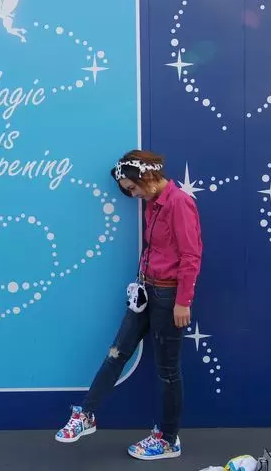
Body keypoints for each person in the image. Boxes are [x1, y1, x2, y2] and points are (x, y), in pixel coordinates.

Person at [54, 149, 203, 461]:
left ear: (146, 176)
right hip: (146, 291)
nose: (132, 194)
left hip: (169, 296)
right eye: (127, 190)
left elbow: (191, 255)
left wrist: (183, 301)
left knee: (167, 371)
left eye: (132, 188)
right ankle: (86, 415)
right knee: (117, 353)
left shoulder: (179, 202)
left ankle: (168, 439)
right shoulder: (152, 204)